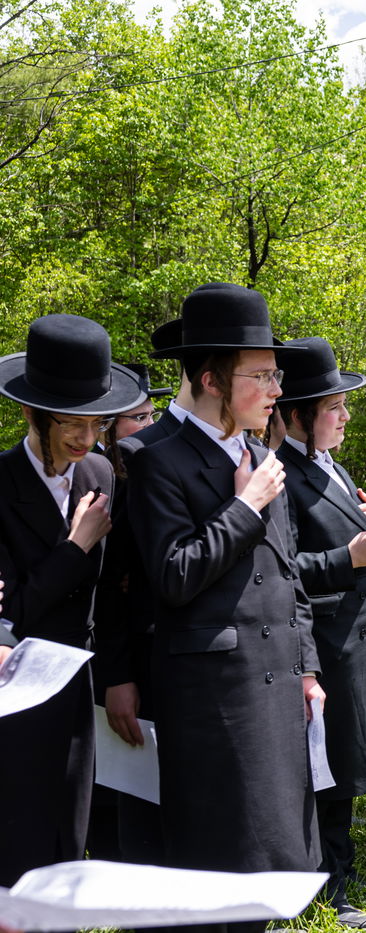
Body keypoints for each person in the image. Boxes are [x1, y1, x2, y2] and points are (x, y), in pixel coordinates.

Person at [125, 283, 324, 933]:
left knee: (271, 870)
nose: (276, 387)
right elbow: (173, 575)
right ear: (211, 377)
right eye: (260, 374)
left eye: (277, 373)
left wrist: (308, 667)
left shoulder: (262, 453)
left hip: (276, 692)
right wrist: (244, 509)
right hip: (213, 703)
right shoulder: (155, 459)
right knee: (217, 878)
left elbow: (289, 574)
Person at [0, 314, 138, 886]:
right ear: (31, 413)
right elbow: (14, 613)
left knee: (70, 834)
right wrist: (77, 546)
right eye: (70, 425)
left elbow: (116, 592)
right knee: (19, 839)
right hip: (15, 691)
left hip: (80, 687)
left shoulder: (103, 471)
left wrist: (119, 675)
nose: (86, 439)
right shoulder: (1, 485)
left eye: (97, 423)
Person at [274, 337, 366, 928]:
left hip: (363, 632)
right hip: (325, 639)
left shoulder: (331, 463)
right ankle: (328, 884)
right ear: (298, 415)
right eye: (334, 407)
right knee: (327, 768)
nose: (347, 416)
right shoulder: (283, 476)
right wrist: (346, 557)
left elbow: (359, 537)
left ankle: (344, 872)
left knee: (347, 764)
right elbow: (282, 570)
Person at [91, 319, 189, 867]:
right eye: (138, 417)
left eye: (153, 414)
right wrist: (117, 675)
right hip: (129, 656)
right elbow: (111, 588)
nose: (148, 425)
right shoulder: (113, 485)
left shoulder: (151, 471)